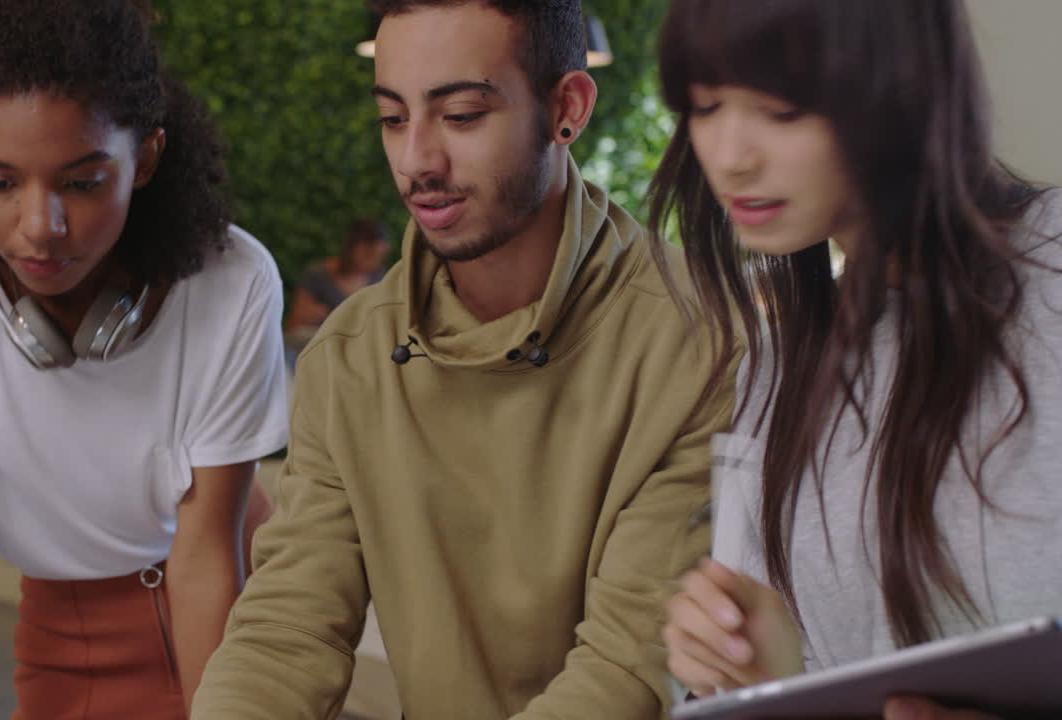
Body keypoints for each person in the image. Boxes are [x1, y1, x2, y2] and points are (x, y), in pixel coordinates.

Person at [191, 1, 739, 718]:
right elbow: (287, 630)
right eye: (393, 117)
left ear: (567, 108)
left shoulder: (696, 337)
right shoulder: (351, 356)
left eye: (462, 115)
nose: (417, 159)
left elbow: (628, 670)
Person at [0, 1, 289, 717]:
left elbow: (207, 559)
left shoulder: (233, 283)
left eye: (82, 182)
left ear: (145, 157)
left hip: (234, 620)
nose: (39, 229)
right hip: (62, 637)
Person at [648, 1, 1062, 718]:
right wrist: (758, 674)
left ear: (902, 84)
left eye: (780, 108)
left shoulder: (1049, 278)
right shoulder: (774, 375)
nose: (729, 156)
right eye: (706, 106)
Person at [283, 218, 391, 367]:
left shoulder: (379, 278)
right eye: (368, 254)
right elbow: (293, 327)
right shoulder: (318, 275)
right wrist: (313, 316)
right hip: (316, 352)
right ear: (352, 248)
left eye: (378, 257)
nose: (373, 262)